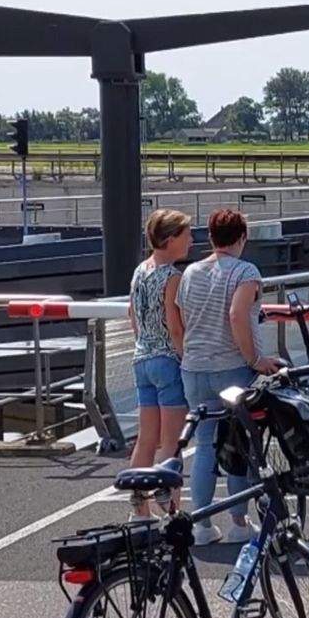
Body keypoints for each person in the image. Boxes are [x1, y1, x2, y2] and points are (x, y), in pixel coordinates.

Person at [178, 208, 277, 546]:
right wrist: (256, 359)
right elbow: (237, 314)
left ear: (210, 236)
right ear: (242, 238)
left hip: (193, 366)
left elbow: (180, 316)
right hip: (231, 366)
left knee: (204, 444)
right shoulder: (245, 272)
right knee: (239, 443)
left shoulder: (191, 271)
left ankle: (201, 525)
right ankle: (239, 520)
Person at [126, 209, 194, 520]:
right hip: (167, 359)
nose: (191, 240)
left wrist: (145, 341)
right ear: (169, 240)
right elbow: (175, 325)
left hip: (142, 358)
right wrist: (184, 356)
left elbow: (132, 316)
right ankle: (170, 509)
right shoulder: (173, 277)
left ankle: (139, 509)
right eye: (185, 235)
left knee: (146, 438)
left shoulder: (141, 270)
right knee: (171, 442)